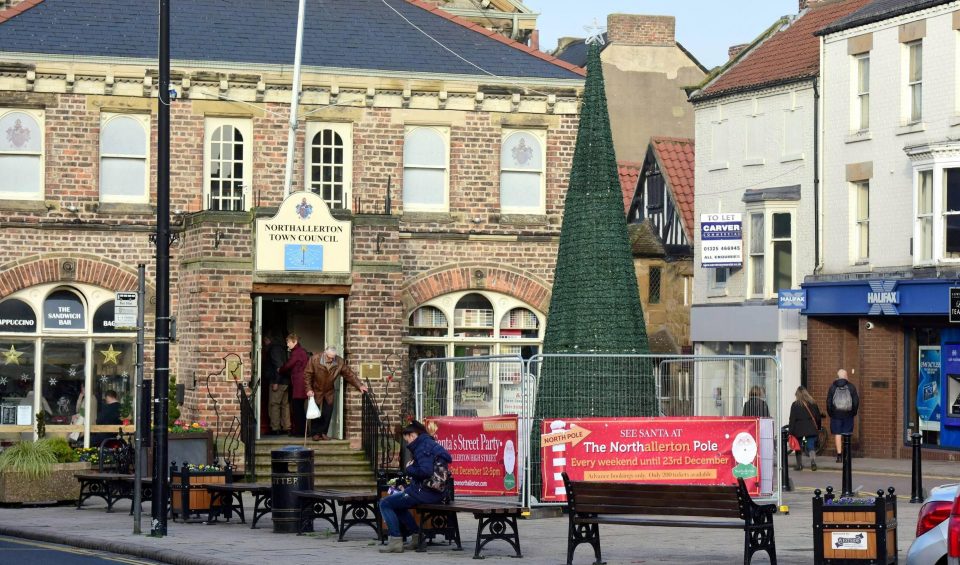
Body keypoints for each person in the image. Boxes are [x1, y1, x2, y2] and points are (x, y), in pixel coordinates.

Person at [378, 420, 452, 553]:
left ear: (413, 435)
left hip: (427, 492)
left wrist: (409, 468)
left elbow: (425, 471)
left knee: (385, 503)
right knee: (398, 505)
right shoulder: (429, 443)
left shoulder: (422, 447)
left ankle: (395, 540)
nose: (407, 443)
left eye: (407, 440)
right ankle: (417, 537)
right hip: (434, 491)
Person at [304, 346, 368, 441]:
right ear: (325, 353)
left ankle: (323, 432)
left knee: (328, 412)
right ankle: (315, 433)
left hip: (329, 390)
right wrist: (309, 389)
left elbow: (349, 374)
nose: (331, 359)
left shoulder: (339, 361)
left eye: (333, 357)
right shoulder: (314, 359)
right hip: (316, 389)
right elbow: (307, 374)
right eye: (329, 357)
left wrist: (359, 385)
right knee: (315, 411)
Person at [278, 333, 309, 437]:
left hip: (299, 384)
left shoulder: (297, 352)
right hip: (301, 383)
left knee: (297, 408)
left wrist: (280, 369)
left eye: (288, 342)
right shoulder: (300, 351)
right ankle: (301, 431)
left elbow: (289, 365)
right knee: (299, 408)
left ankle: (300, 432)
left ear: (294, 341)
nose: (287, 344)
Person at [826, 368, 860, 462]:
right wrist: (853, 412)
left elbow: (828, 402)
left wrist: (831, 413)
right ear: (845, 376)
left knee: (838, 434)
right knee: (847, 434)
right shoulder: (851, 386)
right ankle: (847, 455)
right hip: (848, 414)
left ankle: (839, 455)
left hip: (836, 415)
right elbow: (856, 401)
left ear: (838, 376)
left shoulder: (832, 387)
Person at [788, 386, 822, 471]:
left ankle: (799, 465)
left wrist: (790, 432)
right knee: (811, 446)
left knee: (798, 447)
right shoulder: (813, 403)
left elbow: (792, 419)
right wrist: (818, 427)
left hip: (799, 430)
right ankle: (813, 462)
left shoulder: (795, 405)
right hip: (810, 429)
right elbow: (818, 417)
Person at [263, 333, 289, 435]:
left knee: (274, 405)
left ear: (268, 339)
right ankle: (286, 427)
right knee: (284, 405)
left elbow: (278, 366)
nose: (264, 343)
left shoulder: (274, 349)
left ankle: (275, 428)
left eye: (265, 341)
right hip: (285, 381)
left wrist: (276, 382)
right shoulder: (281, 348)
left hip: (278, 381)